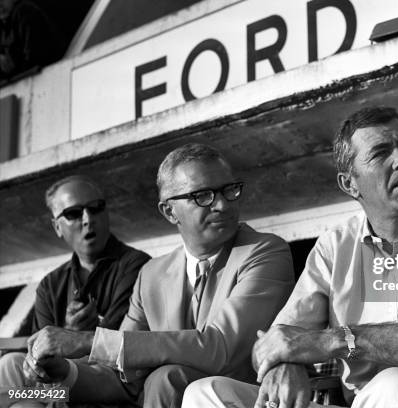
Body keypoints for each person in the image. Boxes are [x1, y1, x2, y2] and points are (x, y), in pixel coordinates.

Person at [182, 106, 398, 408]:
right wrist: (287, 364)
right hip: (361, 403)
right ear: (350, 183)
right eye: (381, 153)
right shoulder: (335, 245)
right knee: (205, 393)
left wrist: (336, 340)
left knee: (393, 386)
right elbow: (280, 339)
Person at [23, 143, 295, 407]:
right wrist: (65, 372)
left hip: (242, 400)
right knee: (14, 378)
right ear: (169, 211)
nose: (222, 205)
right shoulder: (151, 274)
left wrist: (87, 340)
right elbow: (123, 378)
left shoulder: (265, 251)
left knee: (166, 379)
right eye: (203, 196)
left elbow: (219, 348)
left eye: (229, 190)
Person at [0, 175, 150, 406]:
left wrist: (75, 338)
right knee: (10, 364)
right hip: (54, 389)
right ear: (57, 227)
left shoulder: (137, 266)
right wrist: (64, 334)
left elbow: (124, 347)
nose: (88, 219)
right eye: (73, 213)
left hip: (111, 383)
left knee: (19, 402)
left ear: (106, 212)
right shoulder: (50, 284)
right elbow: (39, 359)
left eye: (96, 208)